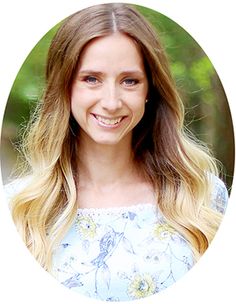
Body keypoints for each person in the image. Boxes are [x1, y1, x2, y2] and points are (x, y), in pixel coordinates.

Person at [4, 3, 228, 302]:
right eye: (91, 79)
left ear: (150, 90)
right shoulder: (19, 209)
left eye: (129, 81)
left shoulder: (202, 196)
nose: (111, 102)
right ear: (65, 87)